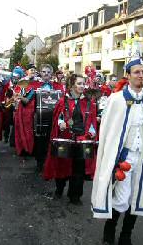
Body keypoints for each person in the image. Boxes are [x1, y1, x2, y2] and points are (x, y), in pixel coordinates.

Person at [91, 58, 143, 245]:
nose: (141, 76)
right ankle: (109, 232)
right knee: (120, 198)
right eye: (137, 72)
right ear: (128, 75)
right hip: (124, 157)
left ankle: (126, 235)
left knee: (137, 197)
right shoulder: (116, 99)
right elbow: (108, 131)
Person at [43, 74, 97, 205]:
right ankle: (59, 190)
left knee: (79, 170)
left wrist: (92, 131)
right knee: (62, 166)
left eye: (83, 84)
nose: (82, 86)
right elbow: (58, 117)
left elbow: (92, 121)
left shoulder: (89, 102)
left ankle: (75, 196)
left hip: (81, 139)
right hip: (66, 138)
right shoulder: (63, 101)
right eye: (79, 83)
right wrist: (61, 122)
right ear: (72, 84)